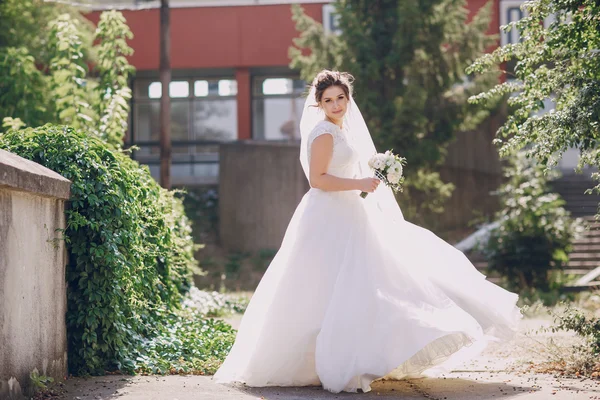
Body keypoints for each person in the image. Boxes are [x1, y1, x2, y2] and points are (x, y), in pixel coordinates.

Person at [213, 70, 521, 394]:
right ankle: (318, 362)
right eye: (328, 100)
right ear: (319, 103)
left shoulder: (342, 130)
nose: (336, 104)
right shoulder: (322, 134)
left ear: (348, 98)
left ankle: (357, 355)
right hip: (326, 215)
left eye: (340, 98)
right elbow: (318, 179)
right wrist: (359, 183)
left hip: (350, 211)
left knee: (371, 280)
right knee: (323, 286)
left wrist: (373, 175)